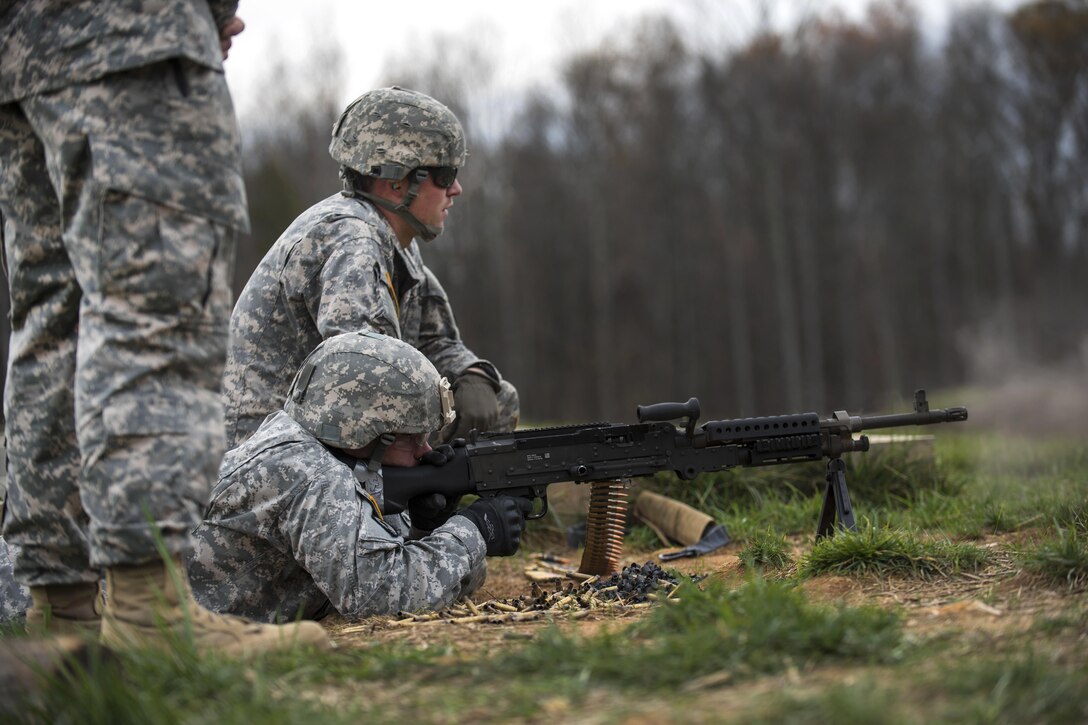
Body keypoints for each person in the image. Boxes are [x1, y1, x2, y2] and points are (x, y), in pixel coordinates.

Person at [0, 1, 328, 653]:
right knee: (154, 302)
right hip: (128, 30)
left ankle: (64, 611)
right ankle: (149, 613)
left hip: (22, 44)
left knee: (53, 314)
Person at [223, 86, 518, 450]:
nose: (455, 189)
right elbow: (369, 381)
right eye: (444, 175)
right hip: (272, 450)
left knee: (497, 401)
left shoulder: (395, 240)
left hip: (325, 431)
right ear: (395, 182)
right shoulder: (351, 241)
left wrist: (473, 376)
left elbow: (436, 341)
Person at [188, 331, 532, 622]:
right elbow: (381, 598)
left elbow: (438, 585)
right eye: (412, 437)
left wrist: (429, 526)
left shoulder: (317, 448)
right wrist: (473, 531)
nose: (426, 451)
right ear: (365, 433)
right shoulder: (312, 475)